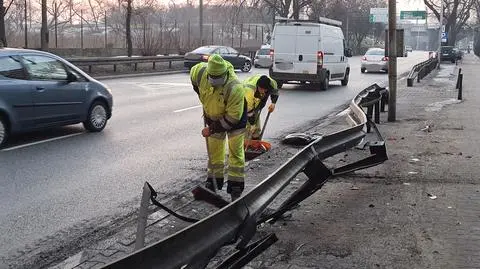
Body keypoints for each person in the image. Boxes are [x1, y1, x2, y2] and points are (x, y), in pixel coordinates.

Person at [190, 54, 247, 201]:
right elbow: (193, 78)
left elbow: (232, 118)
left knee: (235, 150)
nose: (214, 81)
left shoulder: (235, 87)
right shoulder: (201, 72)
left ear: (225, 74)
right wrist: (202, 98)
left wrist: (212, 129)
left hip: (235, 117)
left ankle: (235, 185)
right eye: (212, 77)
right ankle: (214, 182)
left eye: (218, 78)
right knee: (214, 150)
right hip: (213, 115)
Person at [243, 75, 279, 140]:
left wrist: (273, 103)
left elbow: (275, 92)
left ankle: (256, 137)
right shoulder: (249, 91)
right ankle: (246, 141)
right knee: (248, 120)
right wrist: (252, 125)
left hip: (256, 95)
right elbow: (249, 111)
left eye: (265, 89)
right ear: (257, 86)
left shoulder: (272, 83)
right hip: (244, 99)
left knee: (256, 114)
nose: (263, 91)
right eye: (261, 89)